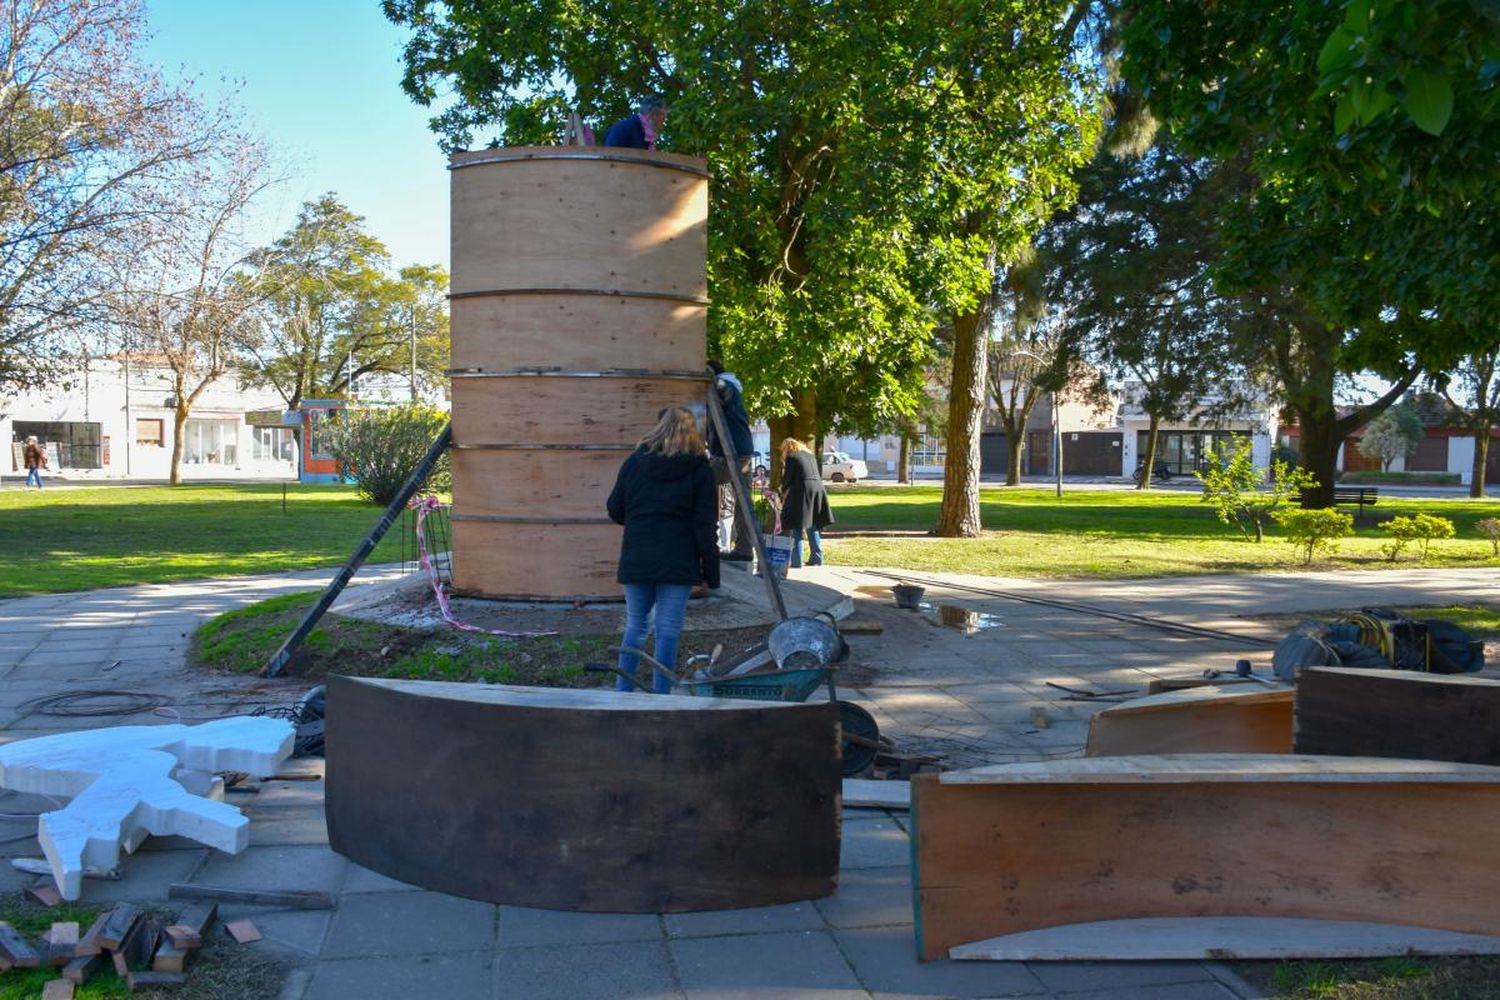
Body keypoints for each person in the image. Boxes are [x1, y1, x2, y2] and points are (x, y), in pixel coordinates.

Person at [606, 407, 719, 693]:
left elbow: (614, 509)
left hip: (638, 556)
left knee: (636, 627)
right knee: (668, 632)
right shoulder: (700, 470)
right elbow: (705, 526)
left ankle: (622, 692)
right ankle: (661, 697)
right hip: (678, 560)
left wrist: (640, 520)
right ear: (692, 432)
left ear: (658, 428)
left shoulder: (634, 463)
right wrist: (711, 574)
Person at [705, 360, 755, 562]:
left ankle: (708, 545)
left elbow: (722, 389)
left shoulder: (727, 386)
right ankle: (743, 549)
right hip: (741, 451)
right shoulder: (734, 388)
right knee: (742, 502)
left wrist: (707, 378)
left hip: (730, 453)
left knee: (704, 494)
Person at [778, 437, 833, 568]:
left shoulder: (792, 457)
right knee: (812, 524)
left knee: (796, 524)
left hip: (802, 491)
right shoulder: (810, 455)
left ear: (788, 447)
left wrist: (781, 490)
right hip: (817, 490)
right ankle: (817, 557)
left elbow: (788, 478)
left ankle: (797, 560)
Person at [602, 95, 667, 150]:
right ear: (652, 114)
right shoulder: (624, 128)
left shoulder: (645, 134)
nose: (662, 124)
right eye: (662, 119)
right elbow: (609, 156)